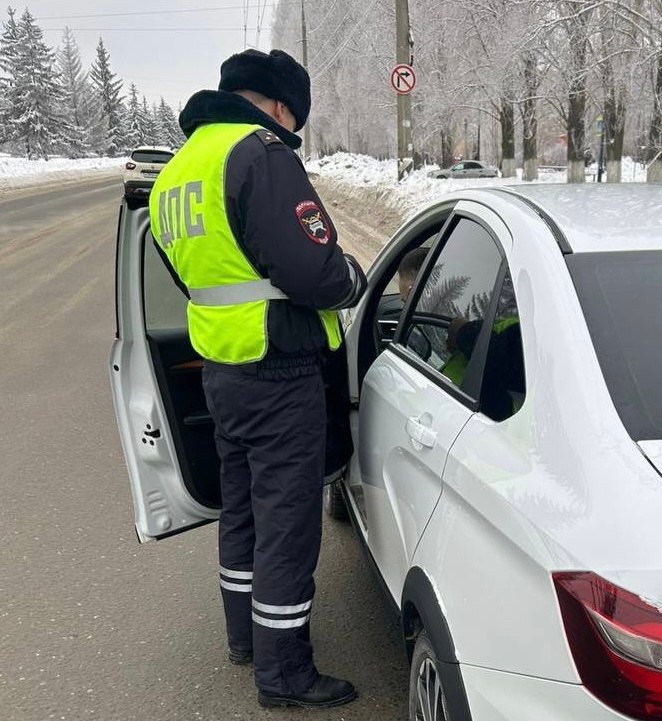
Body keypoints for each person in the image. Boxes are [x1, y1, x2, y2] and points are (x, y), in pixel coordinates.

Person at [147, 48, 366, 710]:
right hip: (281, 372)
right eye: (290, 116)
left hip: (223, 371)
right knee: (287, 525)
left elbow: (198, 279)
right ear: (276, 105)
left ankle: (243, 637)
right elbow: (314, 273)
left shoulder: (174, 174)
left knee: (241, 510)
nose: (288, 129)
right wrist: (352, 274)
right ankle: (286, 674)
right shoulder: (259, 155)